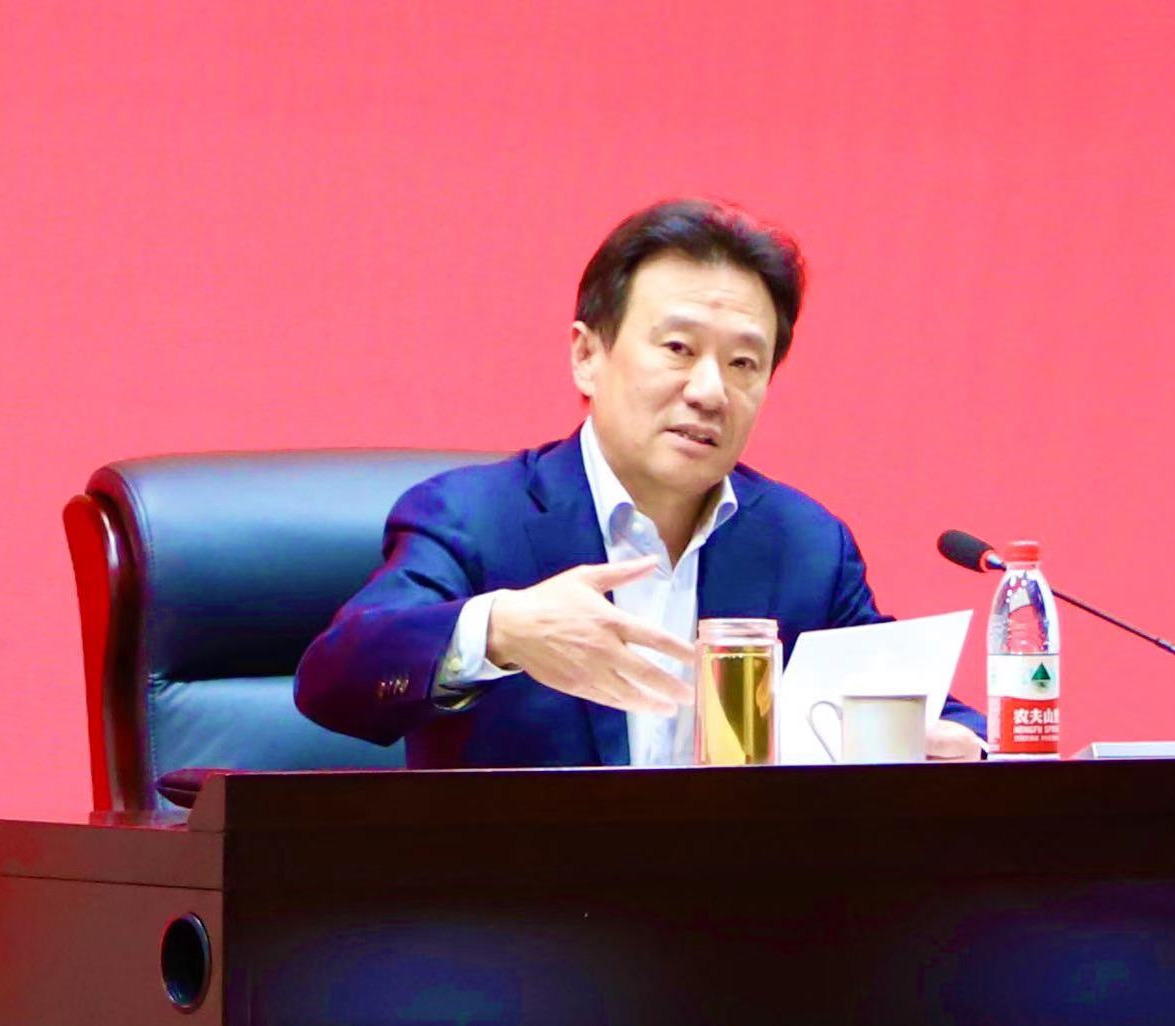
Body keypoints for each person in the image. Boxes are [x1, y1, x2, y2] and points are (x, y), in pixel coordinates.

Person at [295, 198, 986, 767]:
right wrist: (500, 629)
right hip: (528, 891)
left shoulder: (804, 544)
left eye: (744, 364)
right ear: (587, 355)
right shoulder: (474, 517)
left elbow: (926, 711)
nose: (710, 391)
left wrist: (965, 747)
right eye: (678, 349)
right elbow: (333, 680)